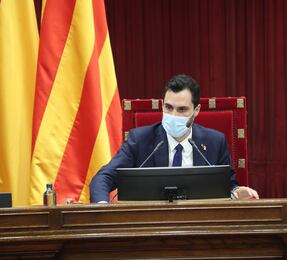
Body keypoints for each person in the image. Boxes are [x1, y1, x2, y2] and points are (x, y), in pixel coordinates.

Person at [90, 75, 259, 203]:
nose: (173, 115)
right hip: (150, 228)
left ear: (196, 110)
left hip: (200, 229)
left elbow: (226, 184)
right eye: (168, 107)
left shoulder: (215, 142)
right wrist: (102, 208)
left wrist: (237, 192)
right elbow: (103, 178)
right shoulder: (140, 140)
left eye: (182, 109)